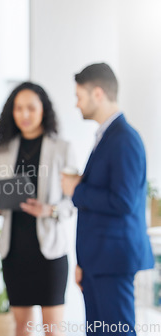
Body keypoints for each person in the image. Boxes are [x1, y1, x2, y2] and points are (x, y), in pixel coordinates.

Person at [62, 63, 154, 336]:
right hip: (98, 262)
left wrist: (76, 189)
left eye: (80, 96)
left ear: (98, 94)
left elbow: (123, 201)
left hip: (113, 261)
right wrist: (84, 262)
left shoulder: (124, 139)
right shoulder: (108, 136)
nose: (76, 104)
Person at [0, 82, 75, 336]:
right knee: (22, 329)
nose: (24, 115)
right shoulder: (4, 152)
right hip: (15, 250)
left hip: (49, 251)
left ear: (43, 110)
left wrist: (49, 210)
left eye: (31, 108)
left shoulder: (62, 149)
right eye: (18, 109)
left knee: (53, 330)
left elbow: (73, 203)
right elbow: (2, 199)